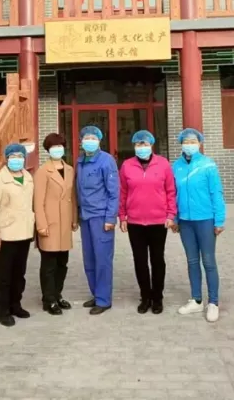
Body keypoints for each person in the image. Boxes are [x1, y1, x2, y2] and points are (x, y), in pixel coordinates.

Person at [171, 128, 226, 323]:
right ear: (181, 144)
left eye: (193, 141)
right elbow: (172, 194)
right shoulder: (175, 166)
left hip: (205, 219)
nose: (189, 144)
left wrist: (219, 220)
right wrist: (175, 218)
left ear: (199, 143)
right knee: (192, 261)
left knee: (208, 261)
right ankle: (196, 300)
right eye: (186, 141)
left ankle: (213, 302)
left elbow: (216, 193)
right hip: (185, 221)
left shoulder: (208, 165)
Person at [119, 130, 176, 315]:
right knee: (140, 261)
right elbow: (122, 192)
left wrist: (171, 214)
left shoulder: (163, 164)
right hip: (135, 222)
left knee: (157, 260)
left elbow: (171, 191)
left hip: (158, 221)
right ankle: (145, 297)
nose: (142, 147)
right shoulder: (127, 165)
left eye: (145, 144)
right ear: (134, 146)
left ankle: (157, 297)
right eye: (138, 144)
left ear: (151, 145)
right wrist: (122, 216)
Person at [0, 142, 36, 327]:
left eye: (20, 157)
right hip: (6, 235)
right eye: (13, 157)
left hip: (24, 233)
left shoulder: (28, 178)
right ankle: (1, 310)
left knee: (19, 274)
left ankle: (15, 304)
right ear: (6, 159)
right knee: (4, 275)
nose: (16, 160)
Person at [75, 125, 119, 315]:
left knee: (102, 260)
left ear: (100, 140)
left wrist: (110, 217)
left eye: (93, 138)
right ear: (81, 141)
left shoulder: (107, 160)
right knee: (89, 259)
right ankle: (96, 293)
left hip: (101, 217)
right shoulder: (80, 161)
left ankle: (104, 299)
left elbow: (114, 192)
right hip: (85, 216)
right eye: (86, 138)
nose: (89, 141)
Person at [33, 132, 77, 315]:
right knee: (49, 264)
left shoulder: (70, 170)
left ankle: (58, 294)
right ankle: (48, 299)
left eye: (60, 146)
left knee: (62, 263)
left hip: (64, 223)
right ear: (48, 150)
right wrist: (41, 225)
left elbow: (72, 197)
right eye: (53, 147)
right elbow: (38, 201)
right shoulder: (43, 171)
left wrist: (74, 219)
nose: (57, 149)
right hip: (49, 223)